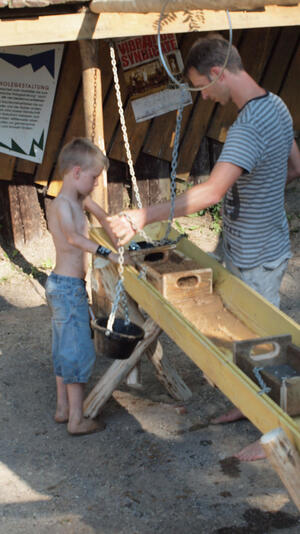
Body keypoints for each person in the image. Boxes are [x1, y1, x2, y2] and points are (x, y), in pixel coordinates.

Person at [107, 35, 300, 459]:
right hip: (258, 242)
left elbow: (211, 192)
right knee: (242, 334)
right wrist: (261, 194)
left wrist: (142, 216)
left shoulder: (248, 126)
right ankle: (244, 402)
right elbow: (294, 166)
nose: (205, 97)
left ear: (218, 73)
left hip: (255, 254)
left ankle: (274, 436)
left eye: (202, 87)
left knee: (261, 340)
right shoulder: (279, 106)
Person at [45, 137, 119, 436]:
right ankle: (77, 419)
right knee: (76, 350)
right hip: (66, 287)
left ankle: (63, 408)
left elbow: (101, 215)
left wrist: (120, 239)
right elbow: (75, 238)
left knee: (63, 347)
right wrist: (107, 253)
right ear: (76, 172)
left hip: (65, 286)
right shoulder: (61, 205)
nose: (95, 183)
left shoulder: (78, 198)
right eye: (93, 177)